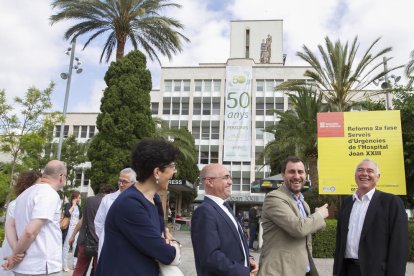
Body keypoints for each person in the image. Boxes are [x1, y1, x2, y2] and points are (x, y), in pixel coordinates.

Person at [95, 138, 181, 275]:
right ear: (157, 172)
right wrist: (176, 246)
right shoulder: (130, 204)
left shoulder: (155, 199)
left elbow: (157, 239)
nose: (174, 171)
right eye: (172, 166)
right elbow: (165, 253)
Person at [333, 158, 408, 276]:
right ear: (355, 175)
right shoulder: (347, 203)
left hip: (375, 271)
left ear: (378, 177)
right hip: (347, 270)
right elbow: (340, 243)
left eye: (370, 171)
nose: (364, 174)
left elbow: (399, 246)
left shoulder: (391, 203)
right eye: (360, 170)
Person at [258, 156, 329, 276]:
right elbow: (298, 228)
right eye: (291, 172)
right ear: (283, 175)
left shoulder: (303, 203)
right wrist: (319, 215)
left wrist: (317, 219)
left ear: (305, 175)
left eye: (300, 172)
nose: (297, 176)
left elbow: (307, 230)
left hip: (303, 270)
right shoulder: (274, 198)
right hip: (279, 271)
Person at [191, 163, 258, 276]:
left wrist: (248, 259)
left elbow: (235, 243)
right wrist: (243, 272)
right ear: (209, 182)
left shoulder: (225, 208)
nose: (230, 182)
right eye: (226, 177)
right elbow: (210, 257)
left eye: (230, 177)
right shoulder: (204, 212)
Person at [2, 160, 67, 275]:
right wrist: (14, 255)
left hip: (22, 267)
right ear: (61, 177)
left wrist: (15, 251)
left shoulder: (24, 195)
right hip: (41, 266)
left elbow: (10, 224)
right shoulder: (49, 193)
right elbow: (30, 232)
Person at [1, 170, 41, 276]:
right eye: (37, 185)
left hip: (19, 250)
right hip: (13, 247)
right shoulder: (16, 204)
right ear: (27, 186)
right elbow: (12, 229)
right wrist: (16, 251)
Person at [70, 185, 114, 276]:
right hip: (100, 242)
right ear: (110, 193)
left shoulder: (89, 200)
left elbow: (81, 221)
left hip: (84, 240)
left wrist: (73, 235)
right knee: (97, 269)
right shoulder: (109, 202)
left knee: (79, 269)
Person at [94, 167, 136, 258]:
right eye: (119, 181)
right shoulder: (107, 199)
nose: (121, 184)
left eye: (124, 181)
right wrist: (104, 238)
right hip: (108, 245)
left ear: (133, 183)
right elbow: (98, 223)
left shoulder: (138, 201)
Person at [62, 191, 82, 271]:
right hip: (69, 229)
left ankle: (74, 264)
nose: (79, 199)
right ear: (75, 198)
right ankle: (64, 265)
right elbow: (67, 214)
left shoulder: (79, 207)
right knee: (66, 246)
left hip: (76, 230)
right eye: (79, 198)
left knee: (75, 246)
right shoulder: (68, 205)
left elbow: (79, 218)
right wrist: (73, 205)